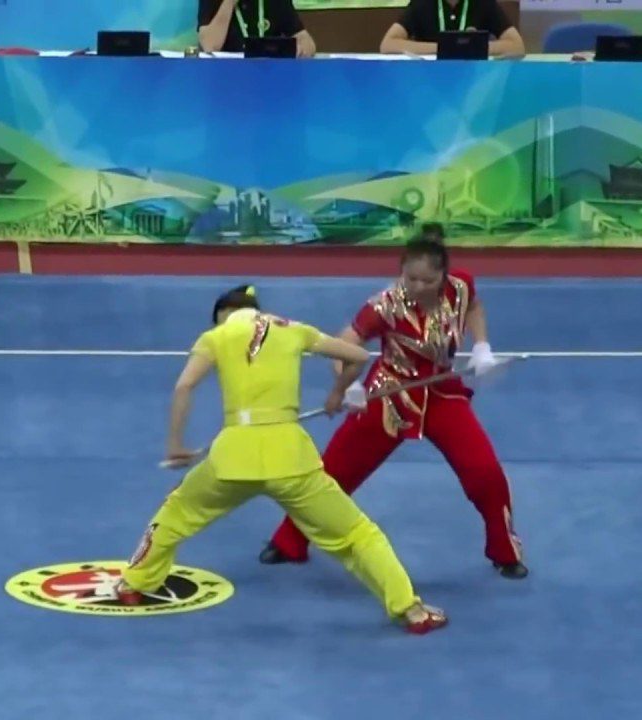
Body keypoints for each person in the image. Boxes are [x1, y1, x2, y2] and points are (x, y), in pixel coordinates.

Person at [115, 285, 448, 634]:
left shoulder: (216, 337)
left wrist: (175, 445)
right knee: (357, 534)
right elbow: (358, 357)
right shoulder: (295, 329)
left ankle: (134, 583)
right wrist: (339, 393)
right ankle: (411, 610)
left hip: (233, 459)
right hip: (292, 460)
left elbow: (184, 386)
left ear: (224, 313)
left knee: (177, 512)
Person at [260, 236, 528, 579]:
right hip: (389, 395)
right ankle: (289, 541)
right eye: (410, 278)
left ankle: (505, 551)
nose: (417, 287)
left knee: (485, 473)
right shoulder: (384, 306)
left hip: (443, 394)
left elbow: (474, 307)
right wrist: (349, 386)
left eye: (427, 281)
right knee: (336, 471)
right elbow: (344, 344)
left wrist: (481, 346)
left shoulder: (461, 287)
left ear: (444, 276)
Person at [380, 0, 525, 58]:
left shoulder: (483, 3)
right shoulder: (422, 3)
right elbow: (388, 44)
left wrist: (476, 47)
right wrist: (443, 48)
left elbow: (517, 46)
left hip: (473, 80)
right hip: (430, 79)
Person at [198, 0, 317, 58]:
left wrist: (301, 49)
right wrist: (229, 3)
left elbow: (307, 41)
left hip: (269, 75)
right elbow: (210, 45)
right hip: (227, 76)